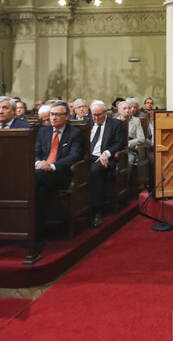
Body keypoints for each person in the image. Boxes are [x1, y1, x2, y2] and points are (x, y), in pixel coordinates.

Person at [34, 101, 84, 252]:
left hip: (60, 175)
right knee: (37, 187)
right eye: (51, 114)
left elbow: (75, 155)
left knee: (34, 180)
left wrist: (52, 166)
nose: (53, 118)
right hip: (41, 173)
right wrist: (38, 163)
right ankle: (38, 232)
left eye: (57, 114)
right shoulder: (43, 131)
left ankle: (33, 232)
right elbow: (35, 152)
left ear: (67, 116)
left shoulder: (74, 133)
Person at [88, 101, 126, 228]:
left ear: (106, 112)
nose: (96, 118)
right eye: (93, 115)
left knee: (95, 171)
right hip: (87, 157)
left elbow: (120, 143)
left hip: (104, 158)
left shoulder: (115, 124)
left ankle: (97, 210)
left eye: (99, 114)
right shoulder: (87, 123)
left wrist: (107, 153)